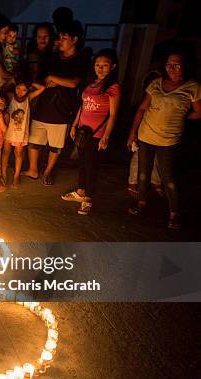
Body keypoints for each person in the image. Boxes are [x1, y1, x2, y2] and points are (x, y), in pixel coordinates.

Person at [127, 49, 201, 229]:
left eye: (177, 64)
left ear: (185, 65)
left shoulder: (192, 87)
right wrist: (132, 132)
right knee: (143, 173)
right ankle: (141, 204)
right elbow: (142, 109)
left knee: (168, 177)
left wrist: (181, 117)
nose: (172, 68)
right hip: (146, 135)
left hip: (168, 140)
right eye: (169, 64)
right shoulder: (156, 83)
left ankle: (174, 213)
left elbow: (198, 112)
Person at [25, 20, 86, 186]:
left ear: (74, 39)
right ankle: (33, 169)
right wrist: (54, 80)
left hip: (62, 109)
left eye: (64, 38)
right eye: (59, 37)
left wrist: (54, 78)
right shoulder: (53, 57)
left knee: (55, 145)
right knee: (34, 140)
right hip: (43, 106)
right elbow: (44, 78)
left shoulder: (79, 60)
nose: (60, 41)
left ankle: (47, 172)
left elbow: (74, 83)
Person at [61, 49, 121, 215]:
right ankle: (80, 191)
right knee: (82, 162)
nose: (100, 68)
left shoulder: (113, 87)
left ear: (113, 67)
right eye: (97, 65)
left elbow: (113, 114)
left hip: (97, 133)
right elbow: (83, 106)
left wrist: (106, 136)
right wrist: (74, 126)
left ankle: (88, 197)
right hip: (83, 130)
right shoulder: (91, 83)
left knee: (91, 165)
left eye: (105, 65)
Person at [2, 79, 45, 188]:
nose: (20, 92)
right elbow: (2, 89)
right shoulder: (11, 96)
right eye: (18, 88)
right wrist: (11, 80)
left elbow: (42, 88)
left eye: (24, 90)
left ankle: (16, 176)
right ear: (14, 87)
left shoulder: (28, 98)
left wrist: (30, 83)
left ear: (28, 90)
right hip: (8, 131)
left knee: (19, 154)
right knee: (5, 152)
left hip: (21, 133)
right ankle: (3, 173)